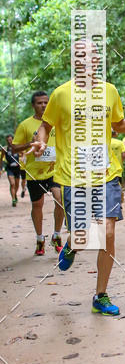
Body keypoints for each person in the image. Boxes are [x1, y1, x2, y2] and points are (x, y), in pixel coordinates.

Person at [30, 39, 125, 316]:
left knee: (108, 233)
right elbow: (46, 126)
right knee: (82, 236)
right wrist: (42, 142)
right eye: (81, 56)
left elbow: (118, 125)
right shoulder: (61, 94)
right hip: (72, 176)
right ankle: (72, 243)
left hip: (106, 174)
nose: (88, 61)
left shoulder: (110, 91)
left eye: (93, 56)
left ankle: (100, 295)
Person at [12, 91, 64, 255]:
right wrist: (30, 143)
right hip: (35, 172)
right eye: (40, 103)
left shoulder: (57, 122)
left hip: (56, 169)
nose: (43, 105)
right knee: (37, 205)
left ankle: (56, 235)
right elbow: (14, 147)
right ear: (33, 105)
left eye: (46, 102)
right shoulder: (25, 125)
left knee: (60, 200)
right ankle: (40, 238)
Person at [3, 135, 21, 206]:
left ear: (13, 140)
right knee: (12, 184)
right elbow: (1, 159)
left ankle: (15, 194)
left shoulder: (17, 148)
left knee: (16, 185)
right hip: (9, 168)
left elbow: (23, 154)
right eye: (8, 140)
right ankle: (13, 199)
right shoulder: (5, 149)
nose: (9, 141)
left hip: (17, 168)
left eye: (10, 140)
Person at [109, 131, 125, 204]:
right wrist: (120, 162)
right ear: (115, 134)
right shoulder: (120, 143)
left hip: (107, 168)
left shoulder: (105, 142)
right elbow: (123, 155)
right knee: (118, 184)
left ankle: (110, 202)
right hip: (117, 167)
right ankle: (119, 201)